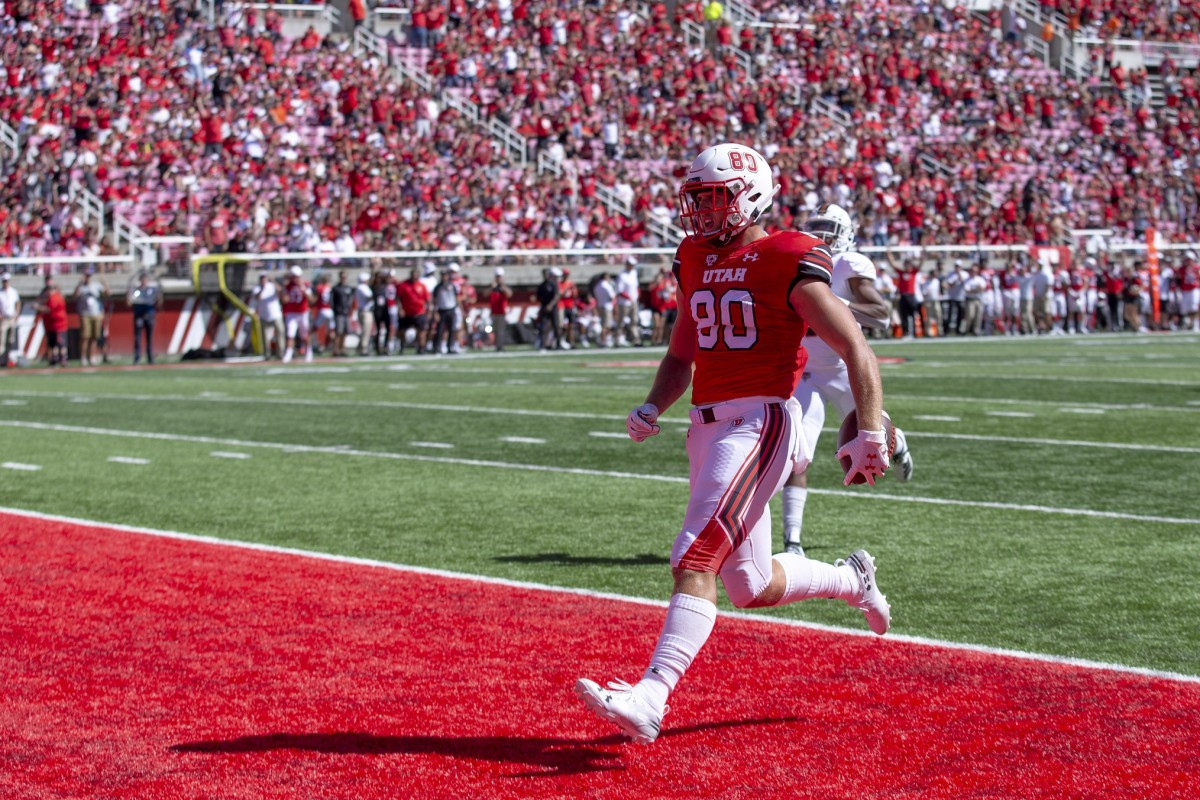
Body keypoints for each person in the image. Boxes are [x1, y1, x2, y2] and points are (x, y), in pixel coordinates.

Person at [575, 143, 893, 745]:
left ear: (749, 195)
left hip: (759, 420)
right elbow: (682, 351)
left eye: (714, 196)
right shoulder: (693, 255)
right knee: (750, 586)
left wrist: (871, 428)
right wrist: (652, 404)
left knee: (694, 556)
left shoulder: (786, 255)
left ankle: (651, 695)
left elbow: (855, 344)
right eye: (696, 198)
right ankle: (852, 580)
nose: (701, 210)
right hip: (706, 425)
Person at [780, 203, 914, 557]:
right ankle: (792, 541)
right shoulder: (796, 259)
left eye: (829, 227)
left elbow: (881, 314)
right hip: (804, 367)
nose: (821, 234)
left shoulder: (848, 264)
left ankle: (897, 443)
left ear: (846, 233)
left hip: (843, 365)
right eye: (816, 226)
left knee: (874, 433)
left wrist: (830, 305)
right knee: (798, 452)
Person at [72, 269, 109, 366]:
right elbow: (74, 297)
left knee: (94, 337)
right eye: (86, 276)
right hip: (85, 314)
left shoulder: (96, 286)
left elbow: (108, 293)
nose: (87, 278)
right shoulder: (81, 287)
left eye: (89, 276)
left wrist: (104, 282)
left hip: (96, 314)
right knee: (85, 337)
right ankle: (83, 357)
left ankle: (92, 356)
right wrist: (79, 284)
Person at [127, 271, 162, 365]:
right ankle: (137, 357)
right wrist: (129, 295)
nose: (144, 281)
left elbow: (158, 302)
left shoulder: (151, 291)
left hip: (149, 315)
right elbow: (131, 301)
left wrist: (159, 297)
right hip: (139, 315)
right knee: (138, 337)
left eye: (146, 279)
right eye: (143, 280)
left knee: (149, 337)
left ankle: (150, 357)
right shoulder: (137, 291)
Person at [280, 265, 313, 363]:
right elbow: (284, 300)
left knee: (305, 335)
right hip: (292, 313)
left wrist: (304, 290)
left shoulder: (305, 285)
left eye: (297, 276)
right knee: (290, 334)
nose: (295, 279)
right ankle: (288, 353)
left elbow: (311, 300)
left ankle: (308, 352)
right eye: (293, 276)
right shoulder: (287, 286)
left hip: (303, 312)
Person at [250, 273, 285, 358]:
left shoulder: (272, 286)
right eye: (262, 278)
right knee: (265, 337)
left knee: (280, 333)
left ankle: (280, 353)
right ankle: (267, 354)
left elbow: (281, 292)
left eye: (265, 278)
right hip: (264, 316)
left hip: (276, 315)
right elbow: (257, 297)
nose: (263, 280)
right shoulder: (257, 288)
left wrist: (273, 281)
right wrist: (262, 288)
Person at [36, 276, 68, 367]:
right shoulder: (49, 297)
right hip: (51, 324)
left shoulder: (55, 297)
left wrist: (38, 307)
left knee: (60, 343)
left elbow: (49, 309)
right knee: (53, 343)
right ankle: (55, 359)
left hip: (59, 324)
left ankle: (62, 359)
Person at [615, 257, 642, 346]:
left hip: (633, 301)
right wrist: (629, 298)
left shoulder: (634, 273)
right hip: (624, 303)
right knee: (621, 322)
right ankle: (618, 340)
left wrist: (636, 297)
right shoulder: (622, 275)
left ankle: (636, 340)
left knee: (634, 321)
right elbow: (619, 291)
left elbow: (636, 287)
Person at [329, 271, 355, 357]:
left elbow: (351, 300)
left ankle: (342, 349)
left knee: (345, 332)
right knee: (338, 332)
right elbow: (332, 301)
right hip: (339, 312)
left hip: (346, 312)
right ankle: (336, 350)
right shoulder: (336, 288)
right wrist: (335, 310)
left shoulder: (348, 288)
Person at [488, 267, 512, 351]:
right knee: (495, 330)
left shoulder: (504, 286)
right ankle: (497, 345)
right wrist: (492, 287)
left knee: (501, 330)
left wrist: (502, 286)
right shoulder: (492, 286)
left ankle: (501, 345)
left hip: (502, 312)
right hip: (494, 312)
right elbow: (485, 293)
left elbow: (509, 294)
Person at [0, 272, 20, 367]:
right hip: (3, 319)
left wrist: (16, 314)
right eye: (4, 281)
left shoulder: (13, 292)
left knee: (11, 340)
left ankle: (7, 359)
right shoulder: (0, 292)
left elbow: (17, 303)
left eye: (7, 281)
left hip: (11, 318)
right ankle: (1, 359)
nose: (5, 283)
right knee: (1, 340)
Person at [354, 271, 375, 356]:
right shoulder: (362, 287)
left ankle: (360, 347)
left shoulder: (361, 287)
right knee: (366, 330)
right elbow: (369, 297)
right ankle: (363, 348)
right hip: (365, 311)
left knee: (366, 330)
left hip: (364, 310)